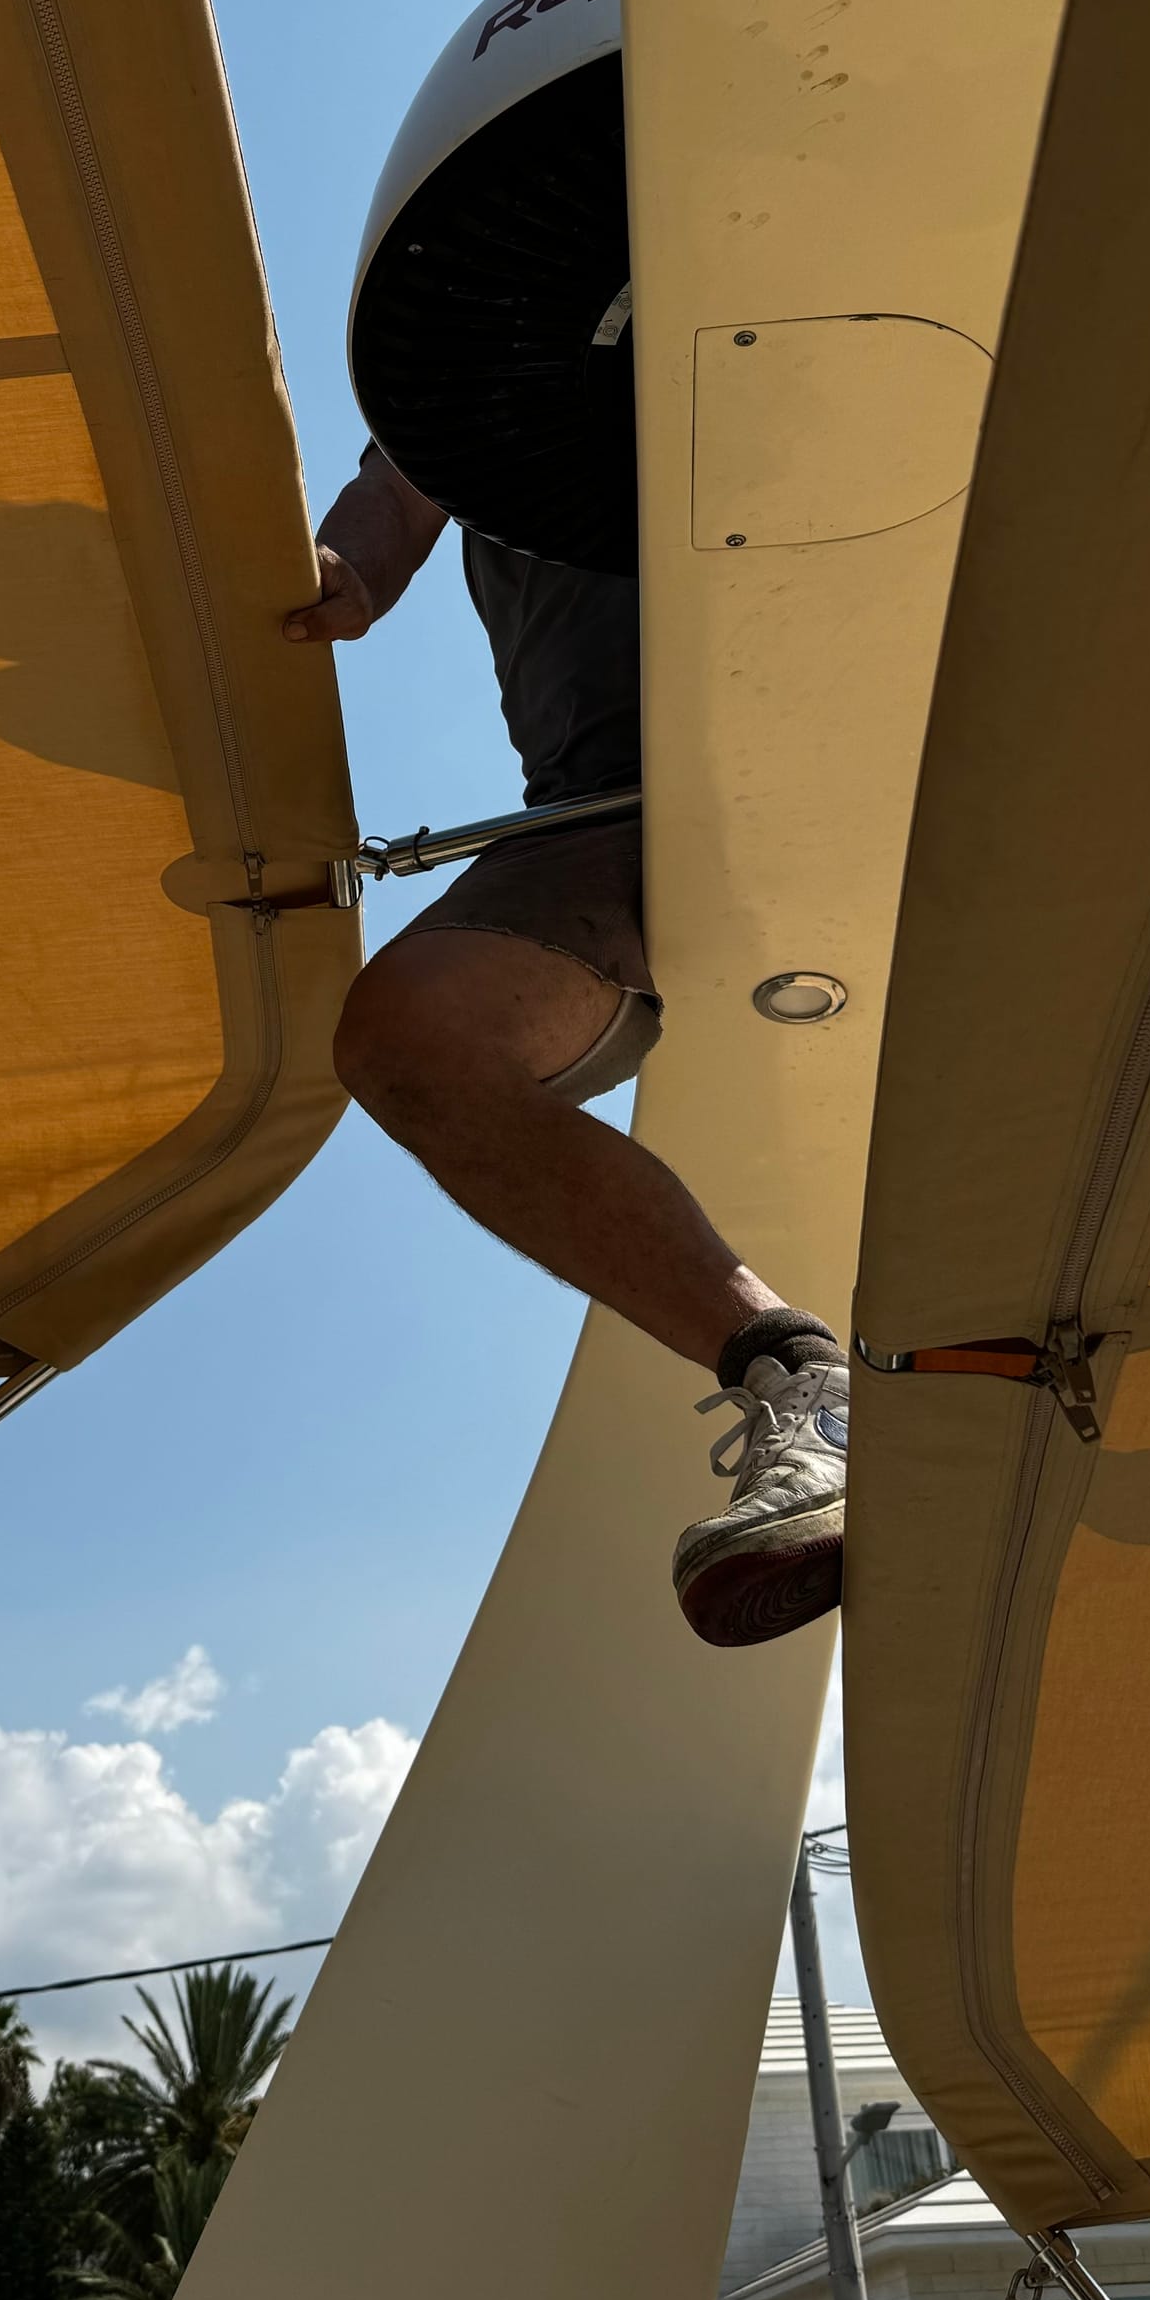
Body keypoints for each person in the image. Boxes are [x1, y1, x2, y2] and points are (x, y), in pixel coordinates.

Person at [284, 441, 848, 1648]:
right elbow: (393, 494)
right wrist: (341, 567)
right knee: (416, 1039)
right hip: (610, 797)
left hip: (892, 722)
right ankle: (803, 1382)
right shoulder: (468, 345)